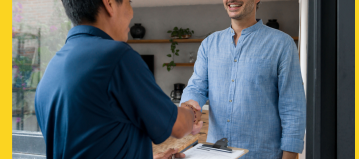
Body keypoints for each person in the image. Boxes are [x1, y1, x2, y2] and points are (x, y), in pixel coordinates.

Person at [34, 0, 203, 158]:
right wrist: (191, 111)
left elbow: (91, 142)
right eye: (129, 2)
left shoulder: (51, 70)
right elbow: (179, 126)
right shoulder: (117, 56)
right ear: (109, 4)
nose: (131, 12)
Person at [180, 0, 306, 159]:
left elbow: (293, 106)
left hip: (263, 154)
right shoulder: (209, 44)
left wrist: (290, 154)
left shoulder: (281, 44)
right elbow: (196, 88)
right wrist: (190, 108)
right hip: (216, 154)